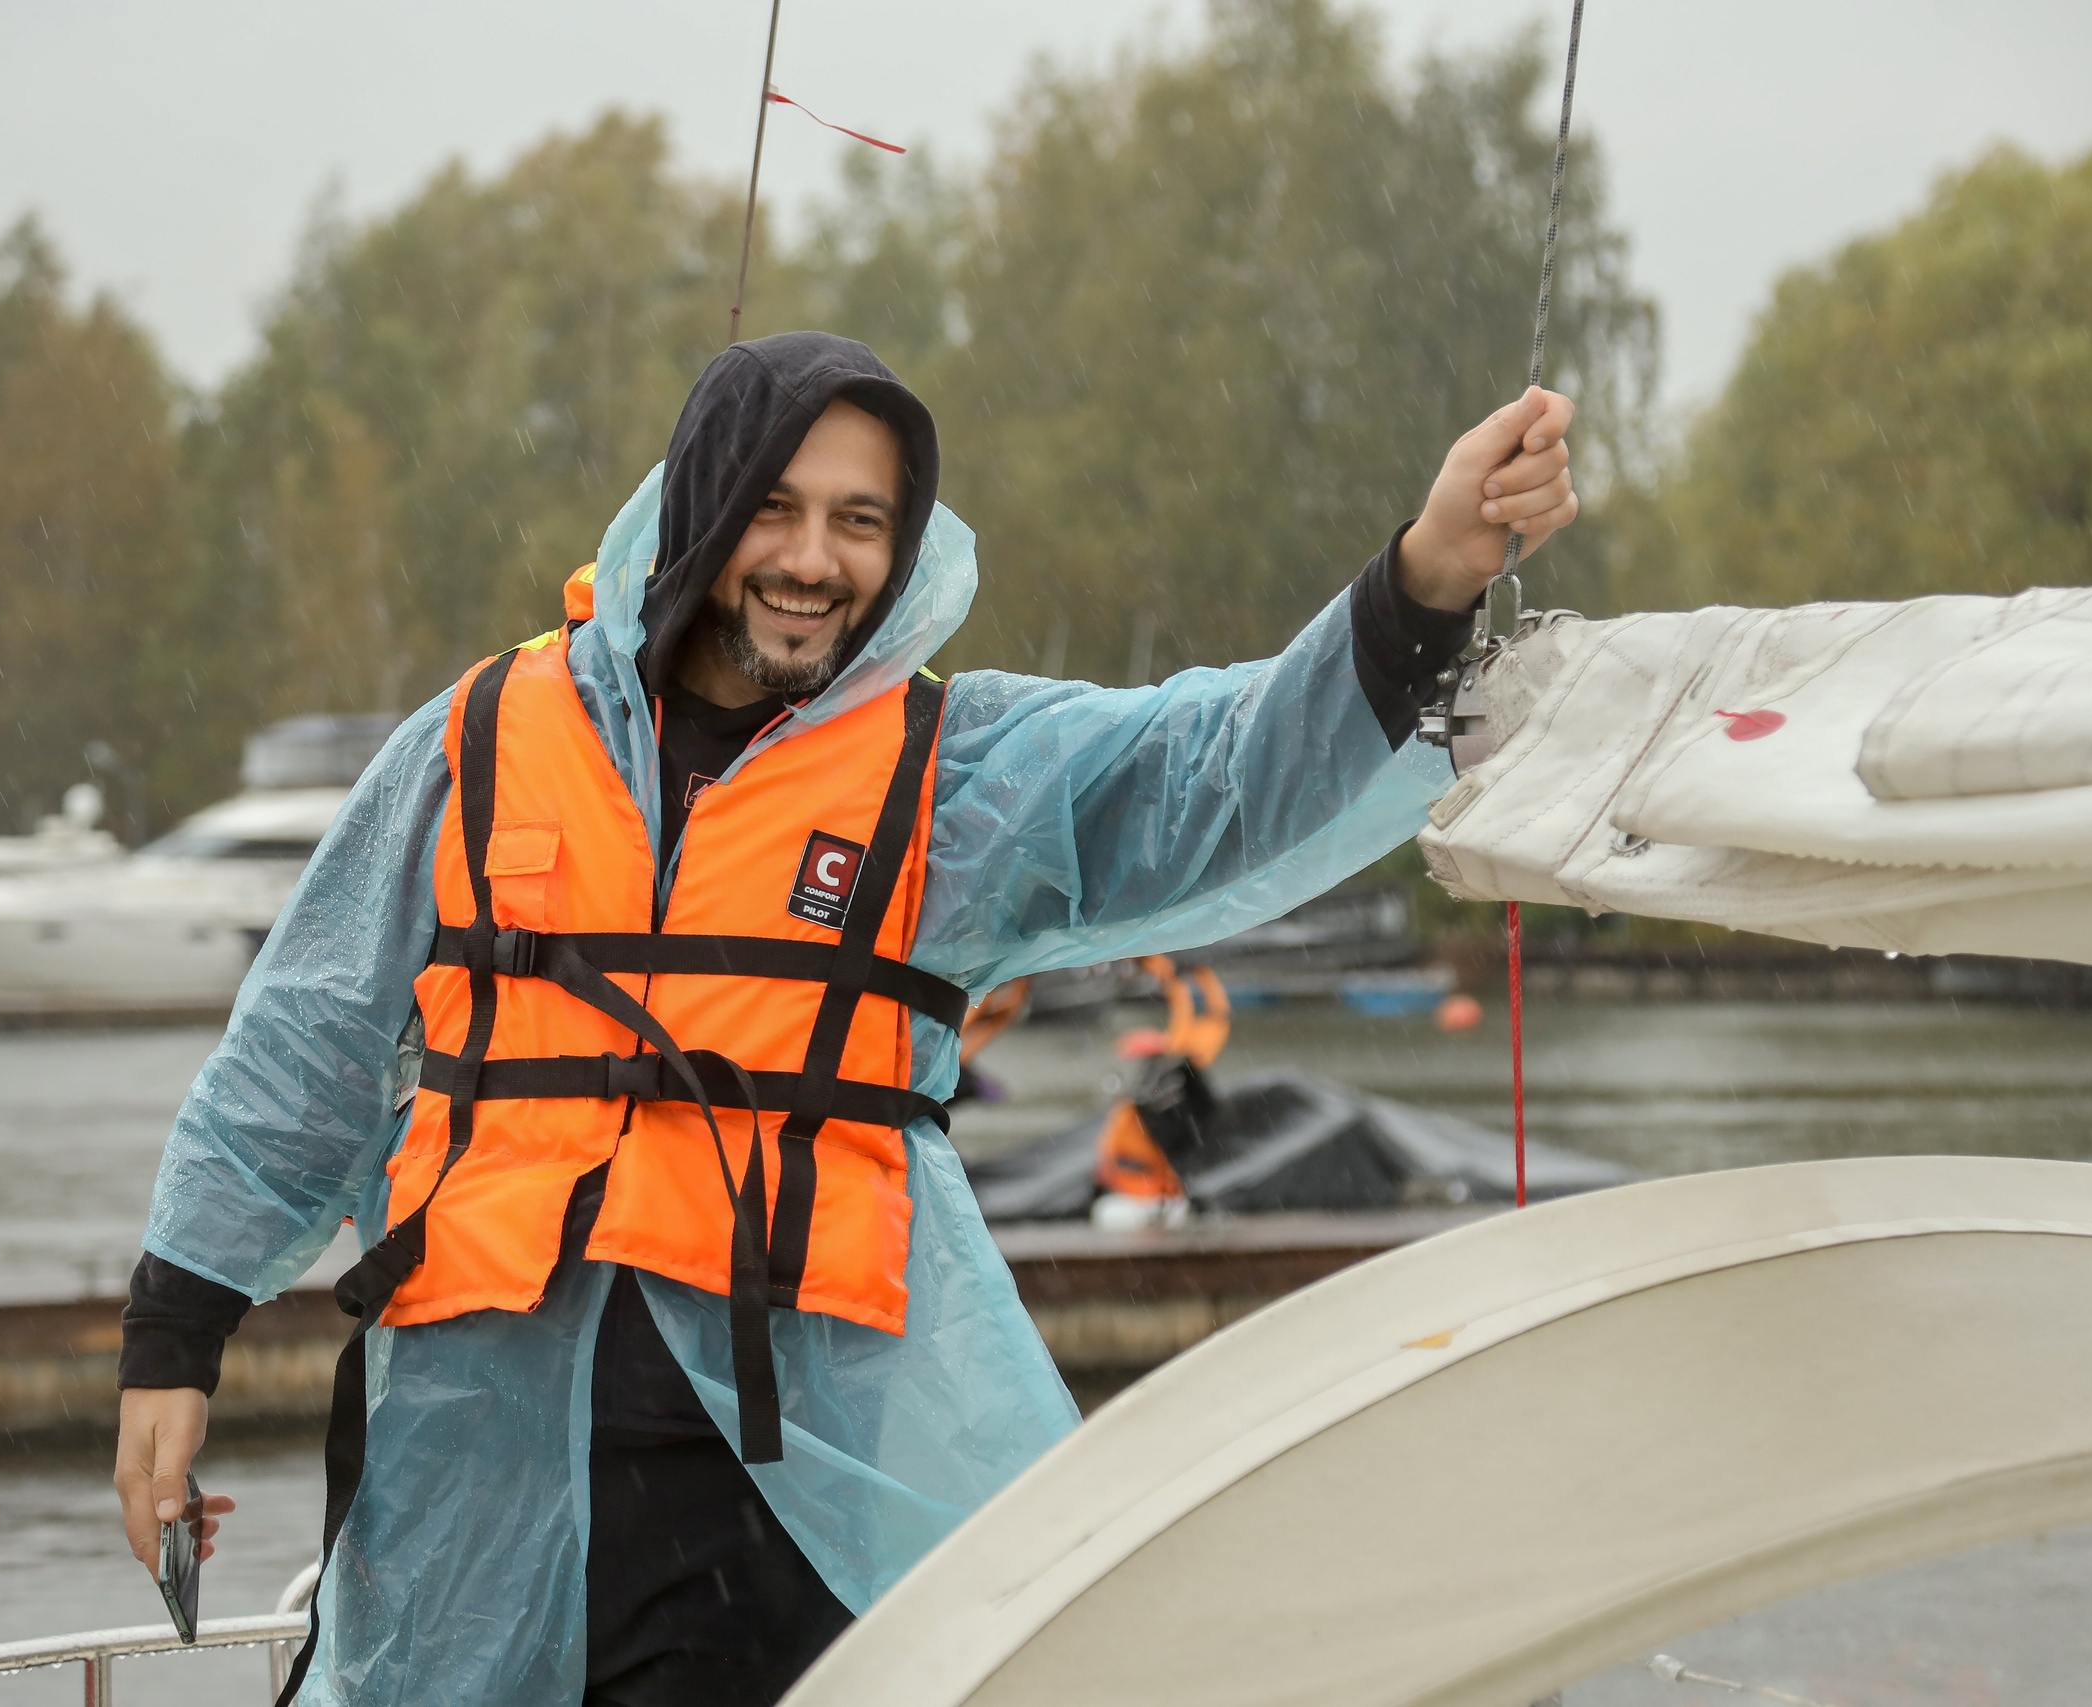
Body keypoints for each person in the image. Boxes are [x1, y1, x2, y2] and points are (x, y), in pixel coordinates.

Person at [113, 331, 1577, 1705]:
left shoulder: (949, 779)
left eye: (862, 522)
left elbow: (1223, 767)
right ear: (701, 509)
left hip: (784, 1507)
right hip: (464, 1484)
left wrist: (1431, 570)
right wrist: (174, 1343)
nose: (814, 561)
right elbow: (299, 1053)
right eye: (776, 508)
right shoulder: (479, 740)